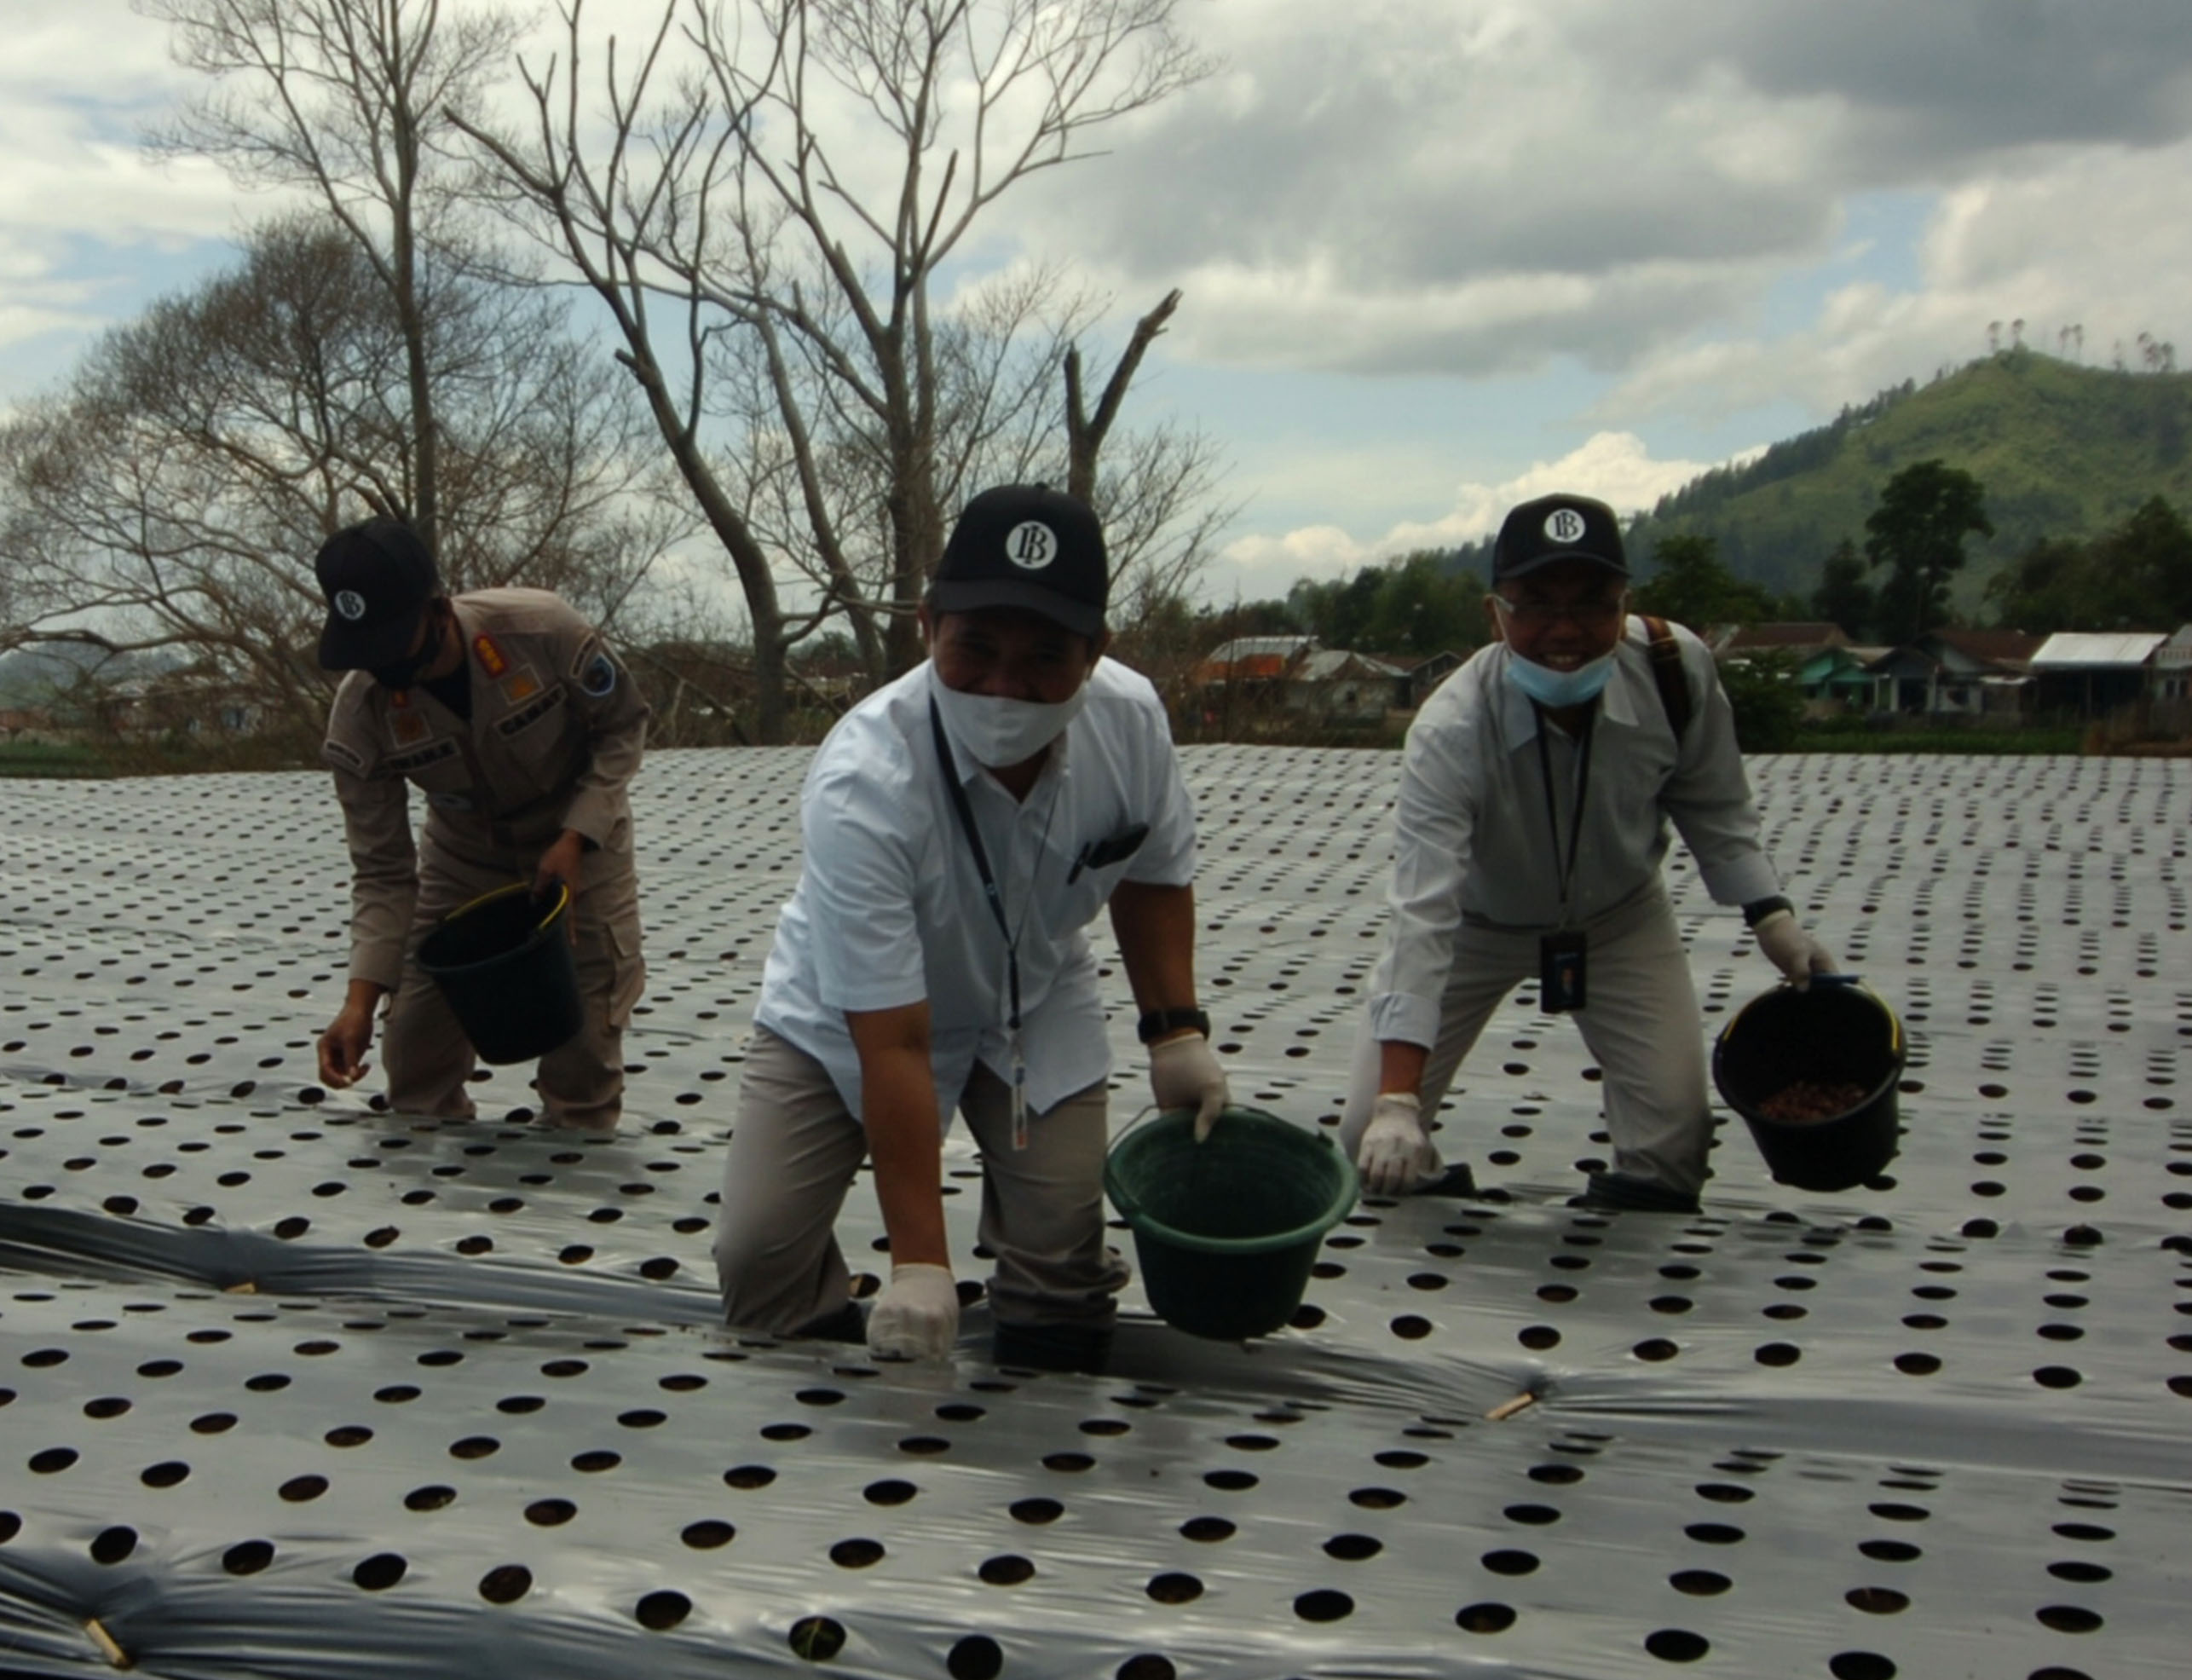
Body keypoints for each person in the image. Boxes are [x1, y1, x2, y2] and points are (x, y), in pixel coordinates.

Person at [712, 484, 1225, 1373]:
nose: (1003, 687)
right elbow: (895, 1045)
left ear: (1096, 652)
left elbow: (1149, 873)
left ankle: (1041, 1400)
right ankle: (819, 1382)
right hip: (846, 1020)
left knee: (1061, 1250)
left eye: (1042, 658)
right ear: (927, 625)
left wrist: (1173, 1031)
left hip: (1032, 998)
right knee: (757, 1256)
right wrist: (918, 1262)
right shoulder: (864, 780)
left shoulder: (1130, 722)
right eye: (975, 648)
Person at [1341, 494, 1834, 1214]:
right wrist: (1394, 1101)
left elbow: (1715, 803)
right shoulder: (1452, 728)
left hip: (1618, 918)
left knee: (1677, 1144)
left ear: (1624, 603)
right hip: (1478, 925)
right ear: (1495, 614)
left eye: (1593, 604)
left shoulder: (1674, 668)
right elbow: (1423, 915)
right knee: (1370, 1140)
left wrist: (1773, 920)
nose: (1565, 631)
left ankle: (1629, 1236)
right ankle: (1434, 1191)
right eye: (1536, 604)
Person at [312, 518, 651, 1130]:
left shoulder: (541, 630)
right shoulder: (360, 713)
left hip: (579, 837)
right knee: (412, 1049)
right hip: (464, 855)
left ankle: (576, 1180)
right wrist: (359, 1002)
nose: (386, 671)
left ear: (439, 610)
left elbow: (623, 724)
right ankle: (440, 1211)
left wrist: (577, 835)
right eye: (368, 654)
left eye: (395, 645)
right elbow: (384, 872)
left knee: (582, 1055)